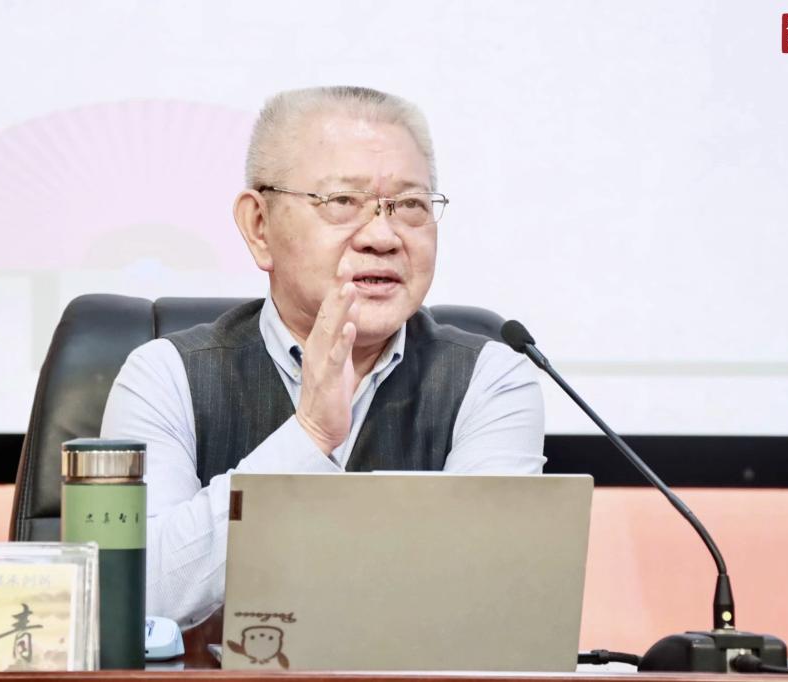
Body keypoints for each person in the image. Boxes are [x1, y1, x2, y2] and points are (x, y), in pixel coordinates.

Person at [100, 86, 545, 628]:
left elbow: (490, 606)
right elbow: (133, 598)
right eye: (343, 202)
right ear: (259, 226)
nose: (382, 237)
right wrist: (308, 435)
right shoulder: (165, 376)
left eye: (409, 205)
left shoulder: (491, 382)